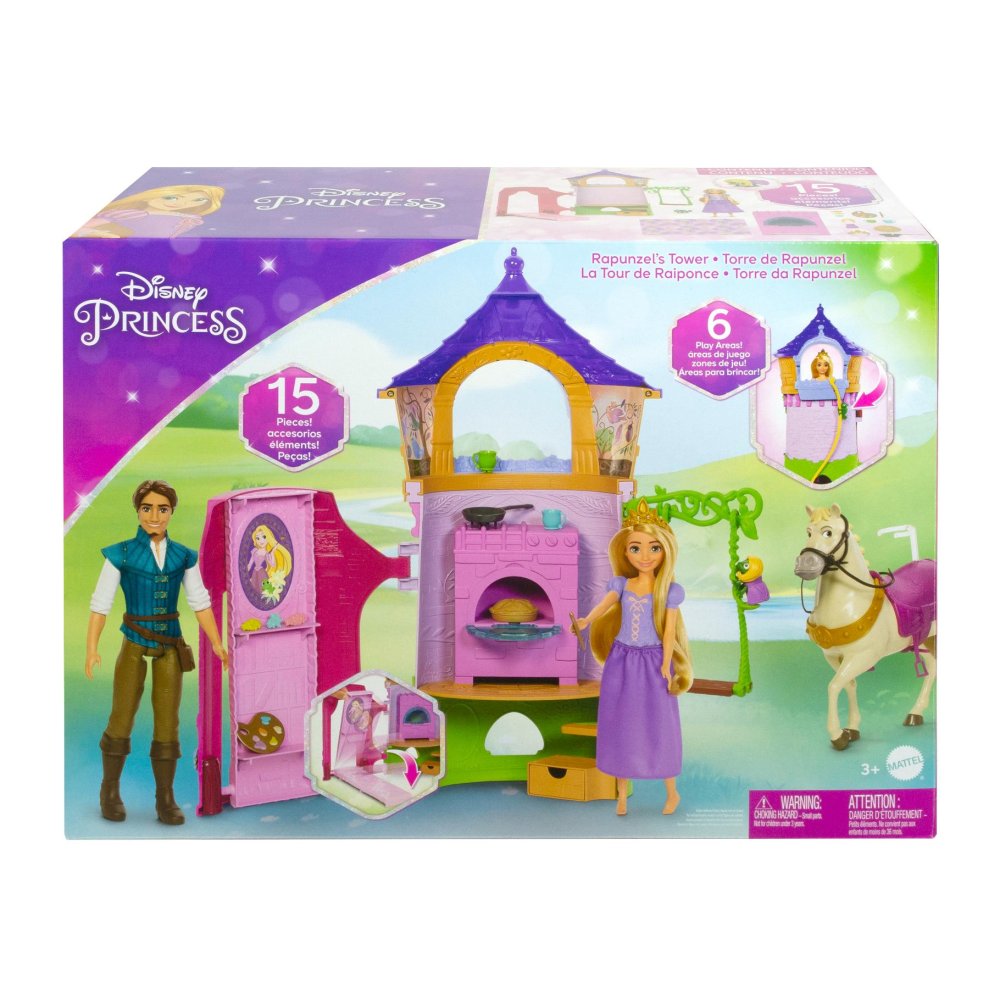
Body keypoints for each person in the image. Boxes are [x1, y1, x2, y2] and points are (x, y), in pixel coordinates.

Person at [85, 480, 227, 825]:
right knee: (121, 715)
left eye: (162, 509)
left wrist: (217, 642)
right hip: (134, 641)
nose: (154, 515)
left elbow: (200, 602)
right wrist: (91, 648)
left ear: (171, 512)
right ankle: (109, 790)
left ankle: (165, 797)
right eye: (147, 508)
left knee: (168, 721)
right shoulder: (121, 553)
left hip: (169, 645)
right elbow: (101, 604)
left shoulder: (183, 556)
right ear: (137, 510)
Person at [574, 499, 693, 816]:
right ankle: (622, 795)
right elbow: (604, 606)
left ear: (665, 551)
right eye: (635, 548)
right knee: (620, 724)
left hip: (653, 661)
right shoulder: (622, 585)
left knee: (660, 725)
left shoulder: (668, 591)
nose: (645, 556)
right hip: (622, 660)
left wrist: (666, 663)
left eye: (654, 548)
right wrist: (586, 621)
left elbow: (669, 631)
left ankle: (672, 793)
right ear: (625, 553)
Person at [73, 184, 224, 238]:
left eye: (199, 200)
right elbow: (80, 229)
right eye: (171, 198)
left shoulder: (189, 218)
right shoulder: (132, 213)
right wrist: (100, 234)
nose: (183, 203)